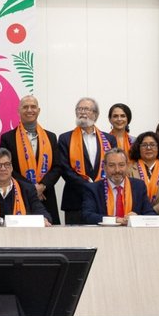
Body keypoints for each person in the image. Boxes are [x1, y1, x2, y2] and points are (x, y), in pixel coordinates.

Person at [0, 95, 64, 225]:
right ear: (18, 111)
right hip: (19, 194)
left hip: (46, 194)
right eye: (25, 107)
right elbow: (7, 168)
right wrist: (31, 188)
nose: (30, 110)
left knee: (49, 234)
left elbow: (57, 167)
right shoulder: (7, 138)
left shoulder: (50, 137)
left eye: (33, 107)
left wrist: (42, 186)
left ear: (38, 110)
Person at [58, 97, 115, 226]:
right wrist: (89, 187)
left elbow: (113, 166)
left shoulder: (109, 139)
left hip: (103, 197)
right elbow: (65, 169)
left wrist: (97, 187)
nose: (82, 112)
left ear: (96, 114)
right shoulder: (65, 138)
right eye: (79, 109)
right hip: (74, 199)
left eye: (86, 109)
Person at [82, 149, 156, 225]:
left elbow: (151, 214)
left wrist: (138, 218)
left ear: (127, 166)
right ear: (104, 167)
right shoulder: (93, 189)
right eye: (111, 165)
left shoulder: (139, 186)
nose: (117, 170)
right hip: (104, 234)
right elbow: (88, 215)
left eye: (121, 165)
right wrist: (116, 220)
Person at [130, 131, 159, 209]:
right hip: (136, 214)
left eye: (152, 145)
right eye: (144, 145)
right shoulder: (129, 169)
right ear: (138, 148)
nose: (148, 148)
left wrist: (154, 211)